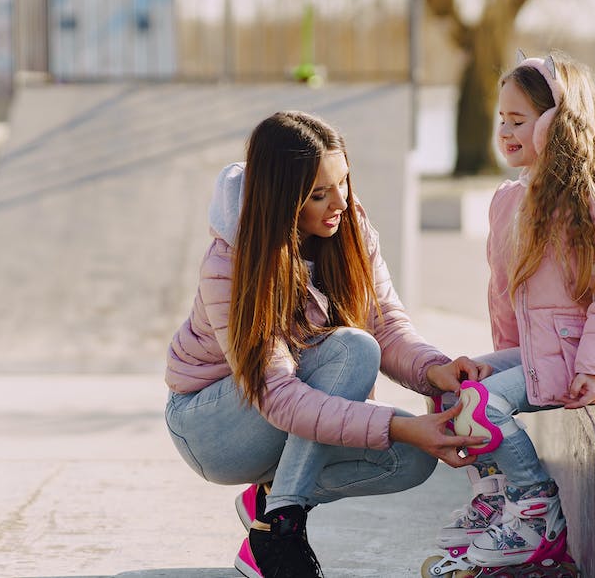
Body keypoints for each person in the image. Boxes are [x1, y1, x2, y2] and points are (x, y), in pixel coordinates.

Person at [165, 110, 492, 578]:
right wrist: (398, 424)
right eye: (319, 194)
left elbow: (386, 324)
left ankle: (268, 507)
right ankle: (281, 532)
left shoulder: (349, 228)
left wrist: (434, 369)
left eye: (343, 182)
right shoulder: (232, 264)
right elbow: (277, 395)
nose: (340, 201)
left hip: (281, 407)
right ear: (282, 197)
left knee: (416, 458)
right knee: (353, 350)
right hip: (211, 424)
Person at [439, 51, 595, 568]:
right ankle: (499, 499)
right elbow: (505, 297)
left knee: (483, 407)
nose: (505, 131)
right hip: (555, 352)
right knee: (453, 392)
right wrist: (501, 361)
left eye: (519, 120)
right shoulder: (511, 200)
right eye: (500, 119)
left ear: (554, 122)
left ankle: (536, 510)